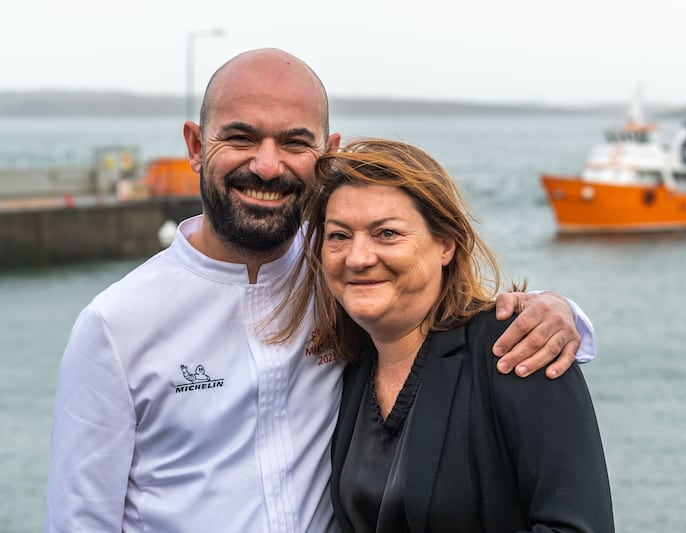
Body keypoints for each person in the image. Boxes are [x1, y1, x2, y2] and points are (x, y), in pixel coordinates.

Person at [44, 48, 597, 532]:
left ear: (326, 153)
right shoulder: (115, 325)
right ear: (195, 145)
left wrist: (557, 312)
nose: (266, 165)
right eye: (240, 137)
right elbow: (80, 520)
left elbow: (436, 297)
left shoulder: (340, 277)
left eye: (293, 142)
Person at [281, 138, 613, 531]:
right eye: (338, 236)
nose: (357, 257)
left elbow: (577, 526)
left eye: (386, 233)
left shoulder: (517, 347)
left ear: (446, 244)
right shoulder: (349, 367)